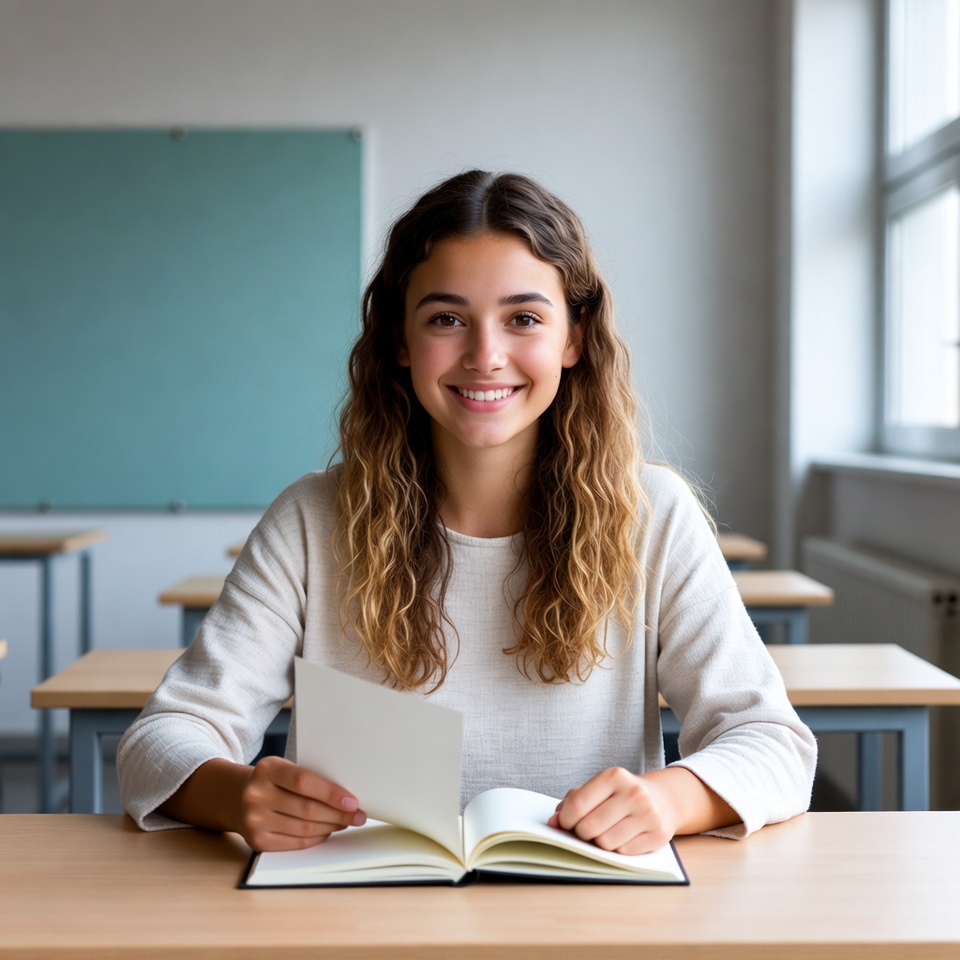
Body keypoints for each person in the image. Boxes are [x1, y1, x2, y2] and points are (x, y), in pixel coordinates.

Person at [118, 170, 816, 855]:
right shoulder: (311, 520)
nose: (486, 356)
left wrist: (670, 799)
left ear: (573, 338)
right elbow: (160, 739)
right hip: (355, 915)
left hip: (585, 915)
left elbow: (774, 744)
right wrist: (238, 796)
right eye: (447, 319)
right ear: (398, 339)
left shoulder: (653, 516)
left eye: (524, 319)